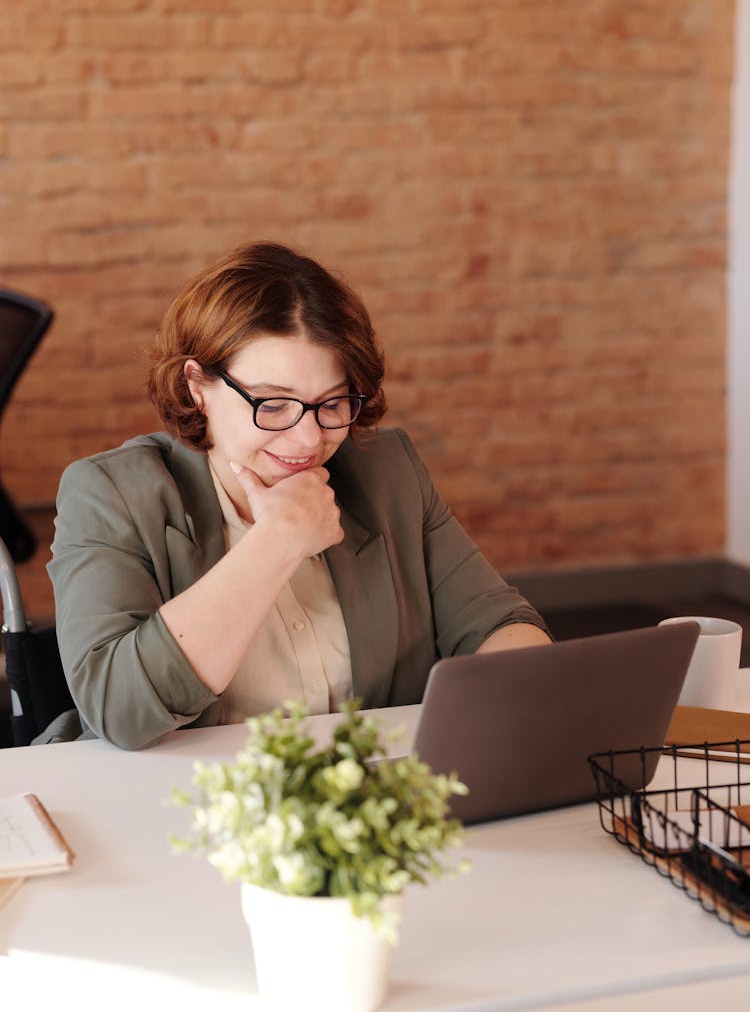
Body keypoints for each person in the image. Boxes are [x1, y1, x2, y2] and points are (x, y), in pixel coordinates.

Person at [45, 242, 551, 749]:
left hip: (367, 796)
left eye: (332, 402)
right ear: (197, 384)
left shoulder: (388, 470)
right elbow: (118, 707)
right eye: (273, 403)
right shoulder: (110, 494)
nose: (309, 439)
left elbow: (497, 623)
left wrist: (534, 690)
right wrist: (277, 542)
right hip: (183, 803)